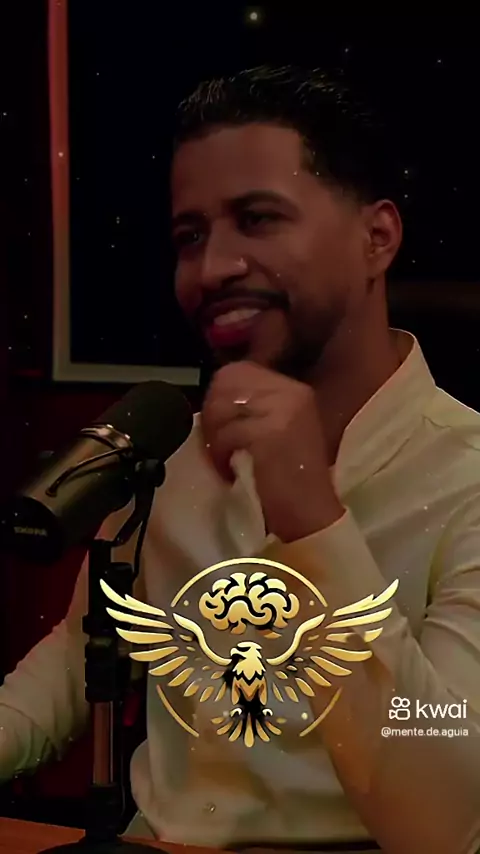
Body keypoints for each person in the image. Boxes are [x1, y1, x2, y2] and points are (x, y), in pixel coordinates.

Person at [1, 65, 480, 854]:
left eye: (258, 219)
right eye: (190, 237)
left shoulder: (467, 478)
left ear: (377, 238)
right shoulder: (172, 454)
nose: (212, 267)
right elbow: (71, 665)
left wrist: (310, 512)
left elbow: (444, 825)